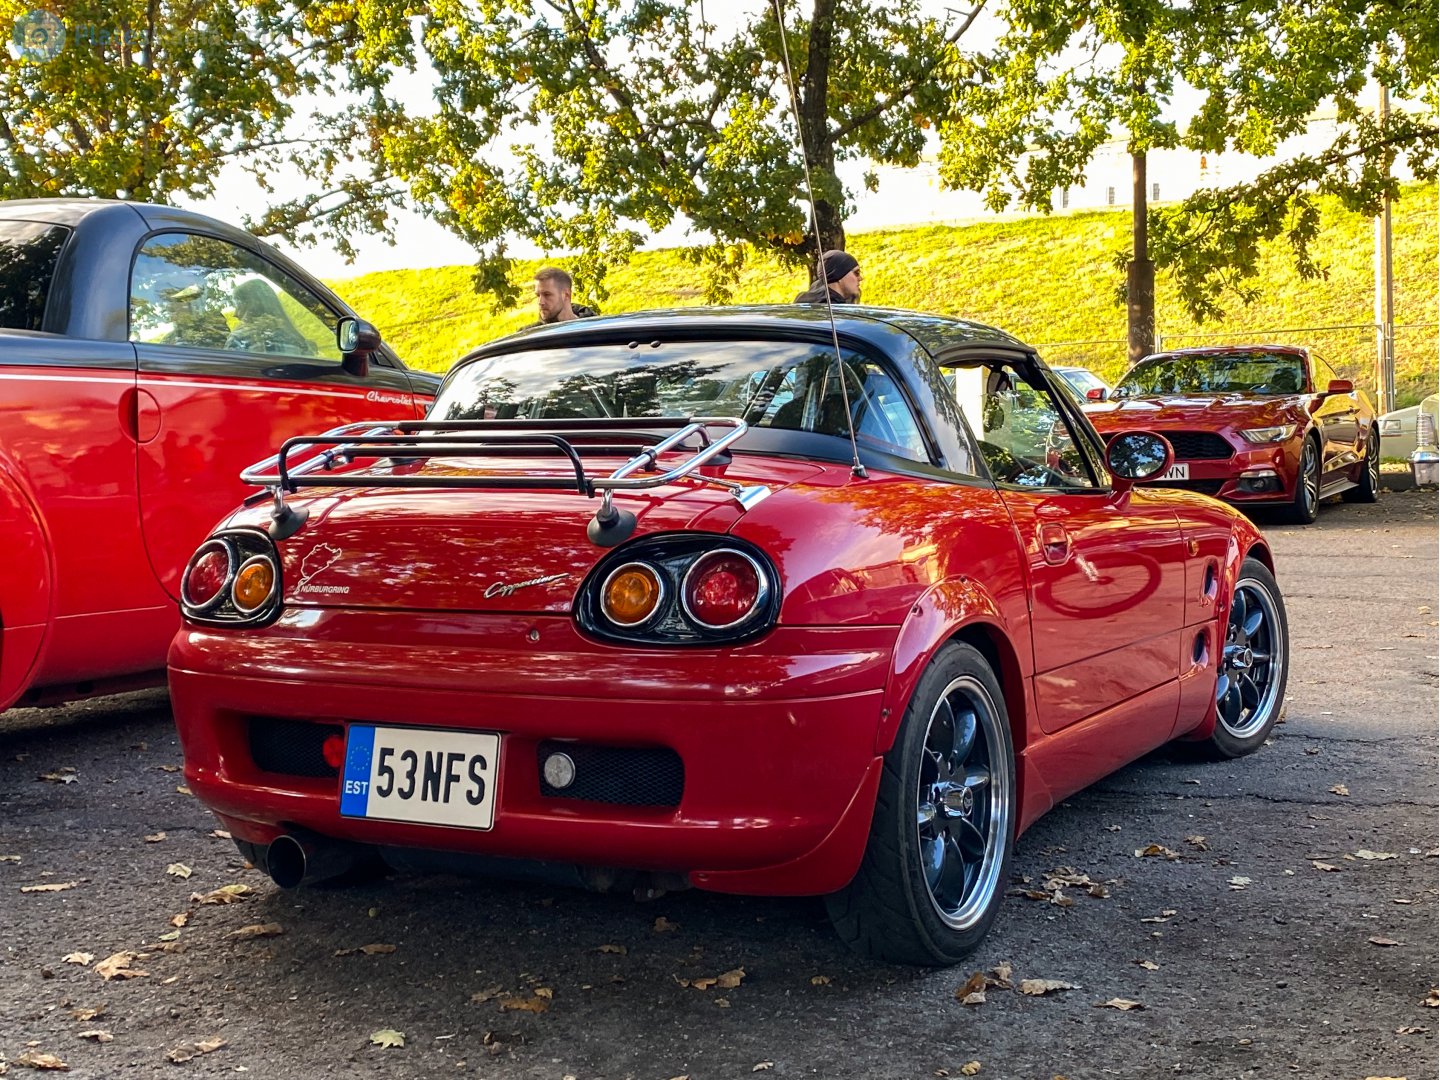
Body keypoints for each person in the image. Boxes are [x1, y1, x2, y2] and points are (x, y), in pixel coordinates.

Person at [224, 278, 312, 356]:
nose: (235, 314)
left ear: (251, 304)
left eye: (238, 305)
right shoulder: (297, 341)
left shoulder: (239, 339)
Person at [531, 267, 598, 326]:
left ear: (566, 295)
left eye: (547, 295)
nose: (540, 302)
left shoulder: (596, 328)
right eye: (538, 295)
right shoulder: (530, 336)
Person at [793, 249, 862, 305]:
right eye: (856, 273)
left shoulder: (803, 305)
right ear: (839, 274)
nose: (860, 278)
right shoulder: (834, 313)